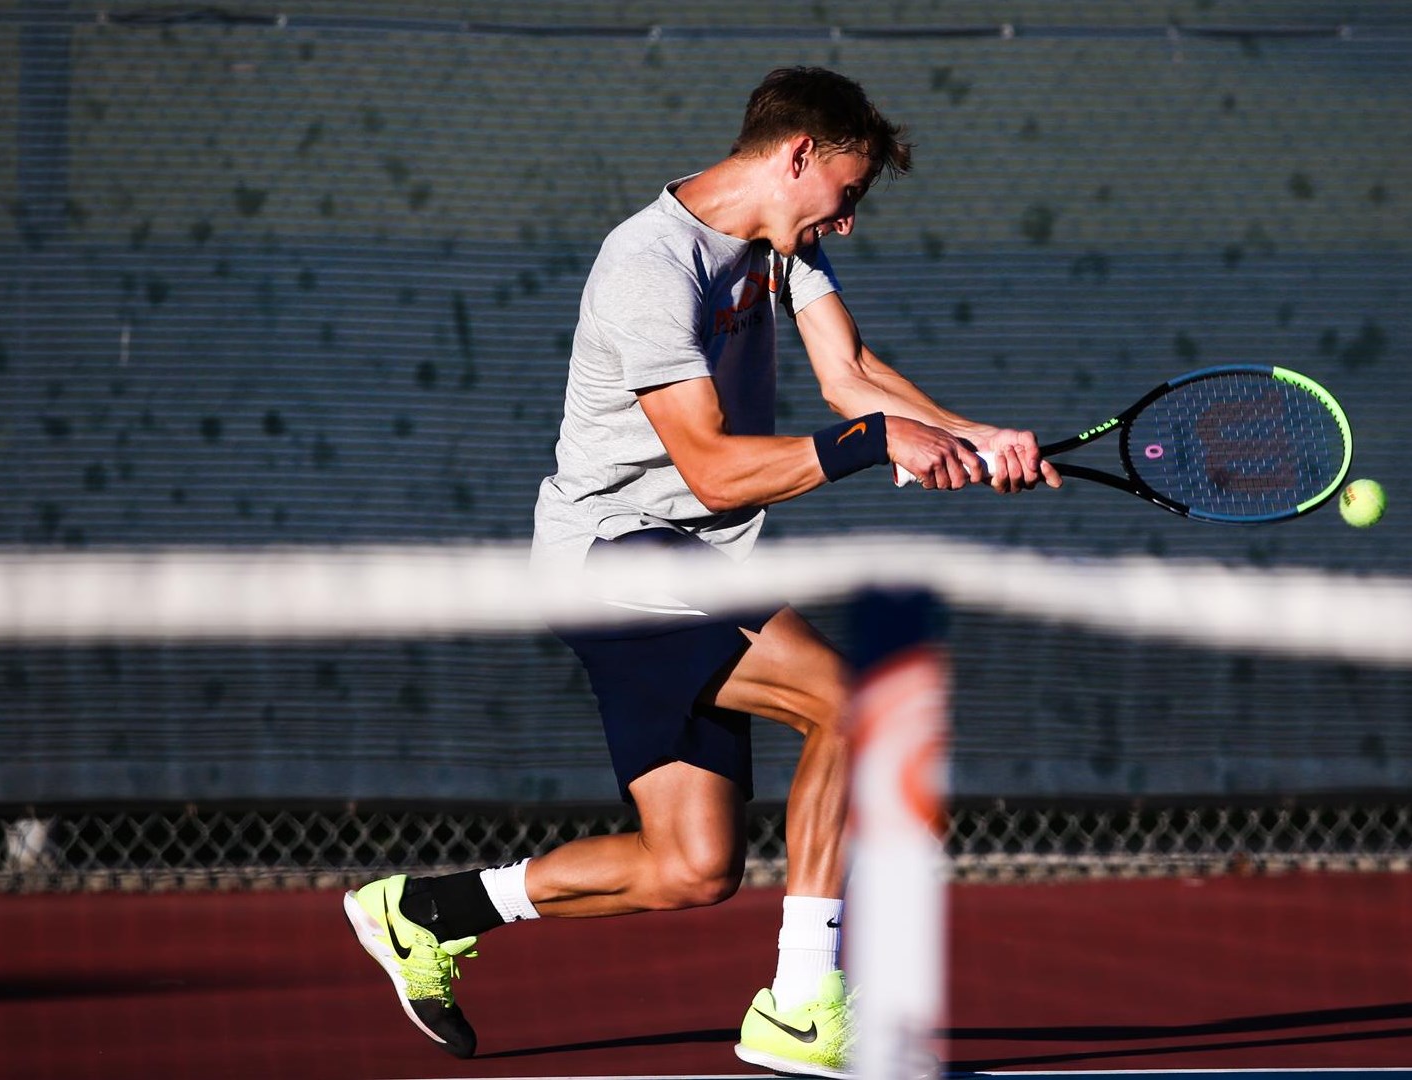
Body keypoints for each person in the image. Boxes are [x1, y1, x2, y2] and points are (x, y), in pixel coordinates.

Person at [343, 65, 1058, 1079]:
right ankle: (804, 1002)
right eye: (846, 196)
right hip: (612, 555)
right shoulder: (649, 264)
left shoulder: (780, 247)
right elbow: (715, 466)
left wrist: (979, 439)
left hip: (689, 565)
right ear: (797, 156)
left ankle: (426, 911)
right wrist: (872, 446)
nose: (845, 223)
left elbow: (851, 377)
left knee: (691, 867)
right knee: (853, 709)